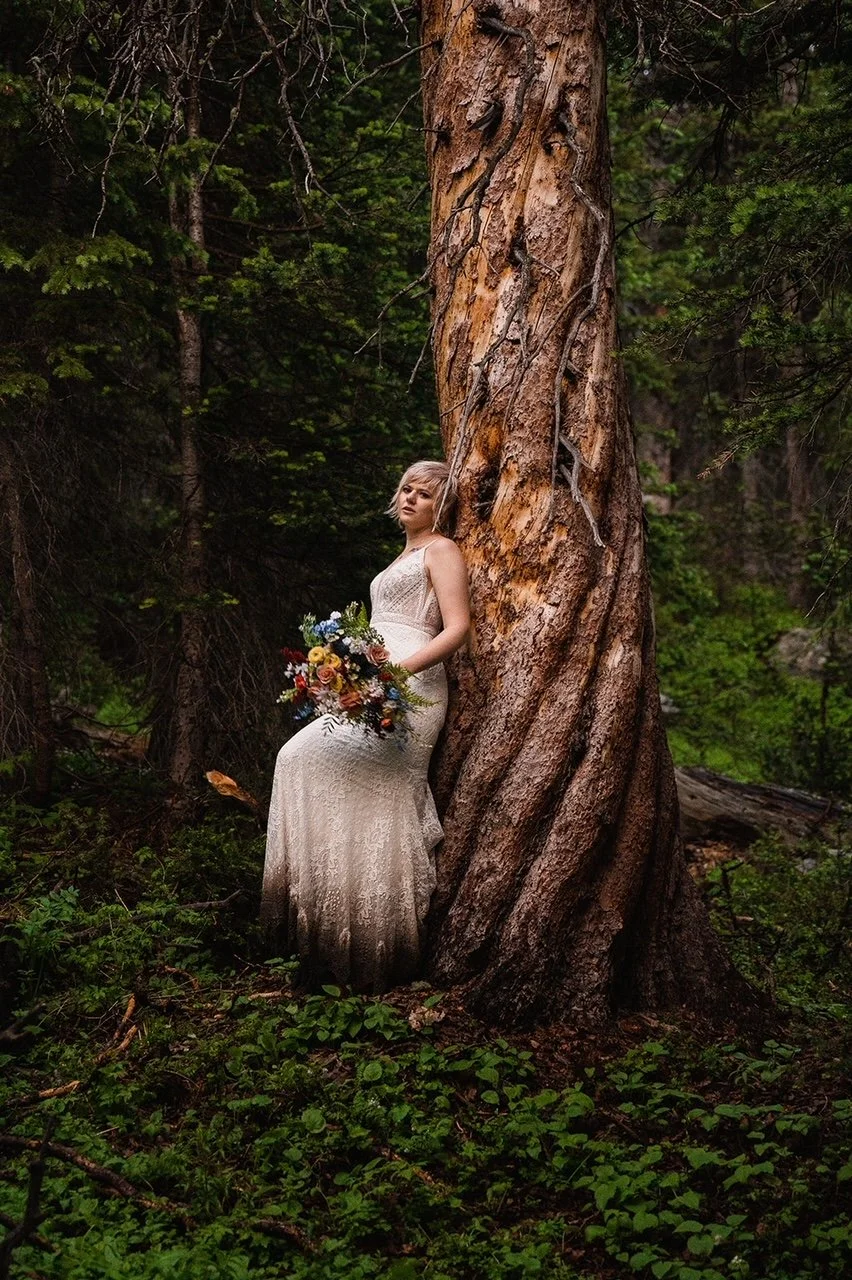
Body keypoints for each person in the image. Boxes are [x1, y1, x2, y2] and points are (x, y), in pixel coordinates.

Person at [261, 460, 470, 992]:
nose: (410, 499)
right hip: (372, 685)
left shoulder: (441, 550)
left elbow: (457, 628)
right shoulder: (400, 555)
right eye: (405, 489)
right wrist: (340, 674)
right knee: (296, 759)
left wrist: (396, 673)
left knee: (370, 795)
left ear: (439, 507)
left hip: (410, 686)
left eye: (423, 495)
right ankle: (324, 930)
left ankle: (377, 945)